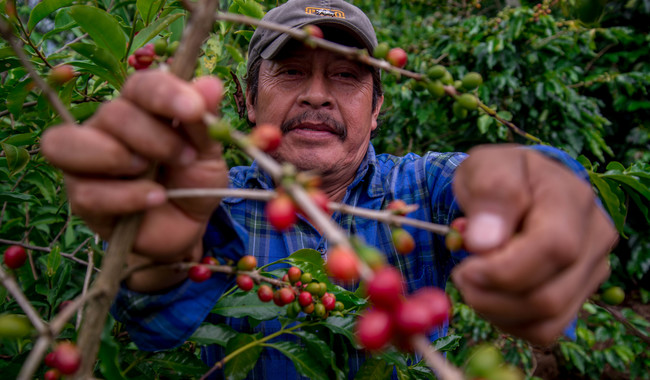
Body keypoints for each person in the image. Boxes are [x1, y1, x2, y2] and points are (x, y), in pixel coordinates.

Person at [41, 0, 618, 378]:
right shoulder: (211, 202)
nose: (318, 94)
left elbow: (489, 181)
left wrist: (540, 190)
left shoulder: (418, 188)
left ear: (377, 110)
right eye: (290, 72)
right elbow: (151, 327)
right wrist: (158, 254)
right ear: (246, 100)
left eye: (345, 76)